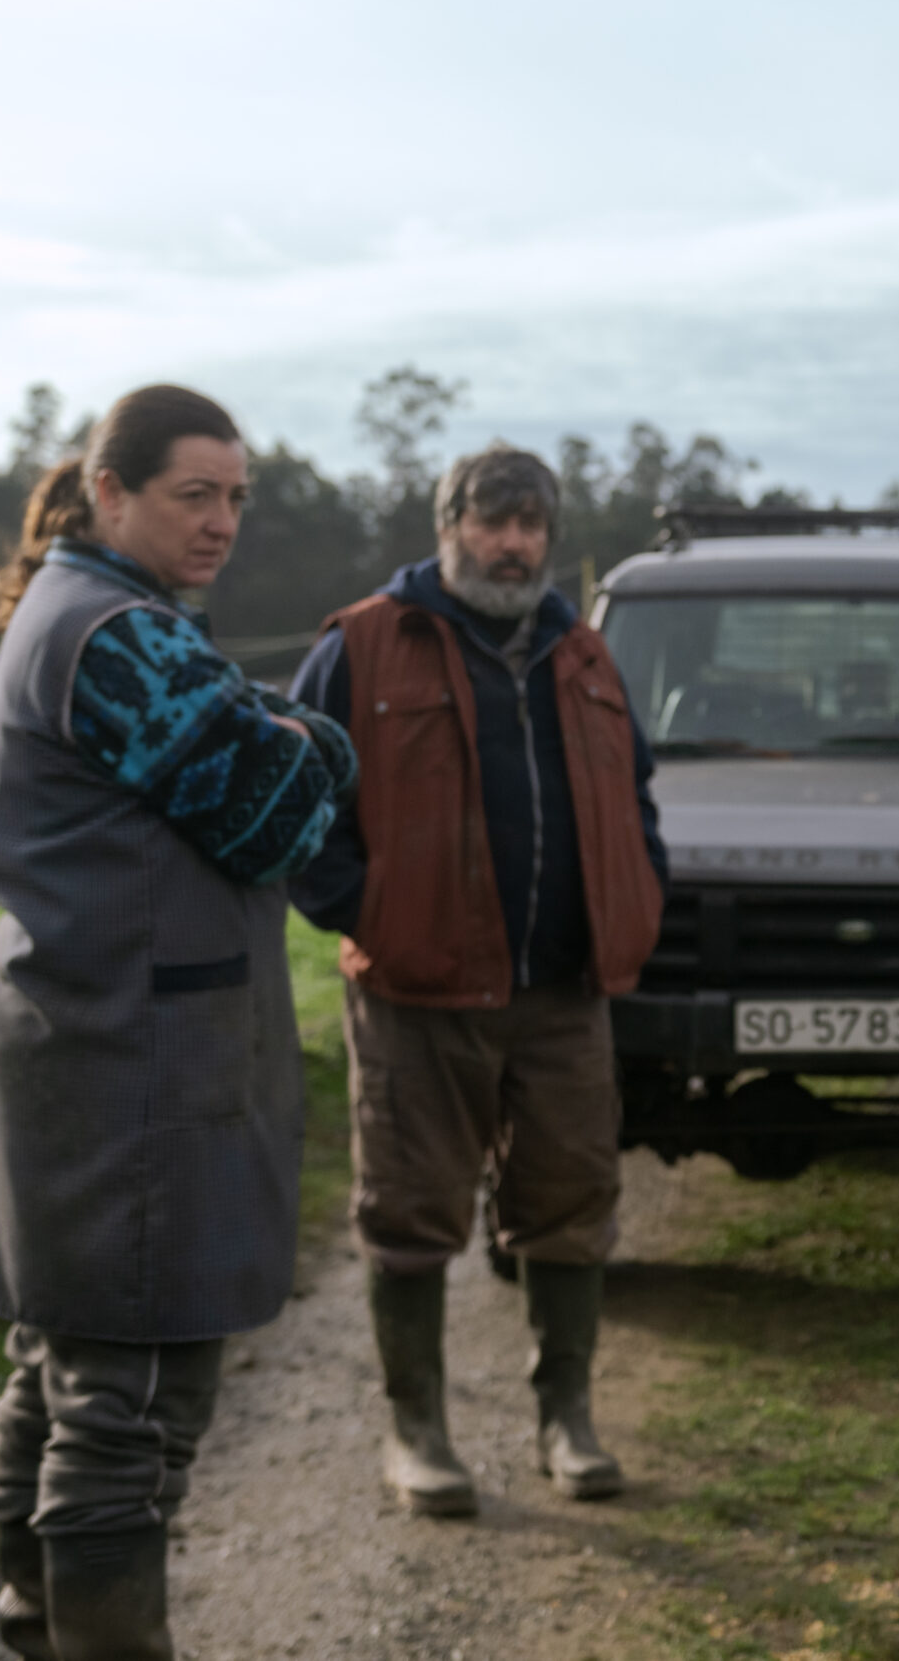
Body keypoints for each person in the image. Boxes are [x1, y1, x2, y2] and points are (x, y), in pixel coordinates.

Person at [0, 384, 356, 1660]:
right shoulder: (117, 636)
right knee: (131, 1406)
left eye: (236, 497)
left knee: (62, 1370)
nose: (222, 520)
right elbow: (278, 815)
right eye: (195, 494)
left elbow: (266, 758)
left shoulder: (90, 612)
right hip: (129, 1076)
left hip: (87, 1052)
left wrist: (286, 733)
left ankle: (35, 1619)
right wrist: (315, 741)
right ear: (108, 492)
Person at [288, 442, 665, 1515]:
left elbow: (635, 796)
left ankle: (566, 1421)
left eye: (529, 525)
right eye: (491, 522)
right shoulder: (365, 643)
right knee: (409, 1210)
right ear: (447, 527)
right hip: (418, 993)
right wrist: (367, 912)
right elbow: (296, 797)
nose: (512, 544)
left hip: (563, 992)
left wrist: (636, 898)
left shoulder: (583, 652)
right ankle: (417, 1434)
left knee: (572, 1203)